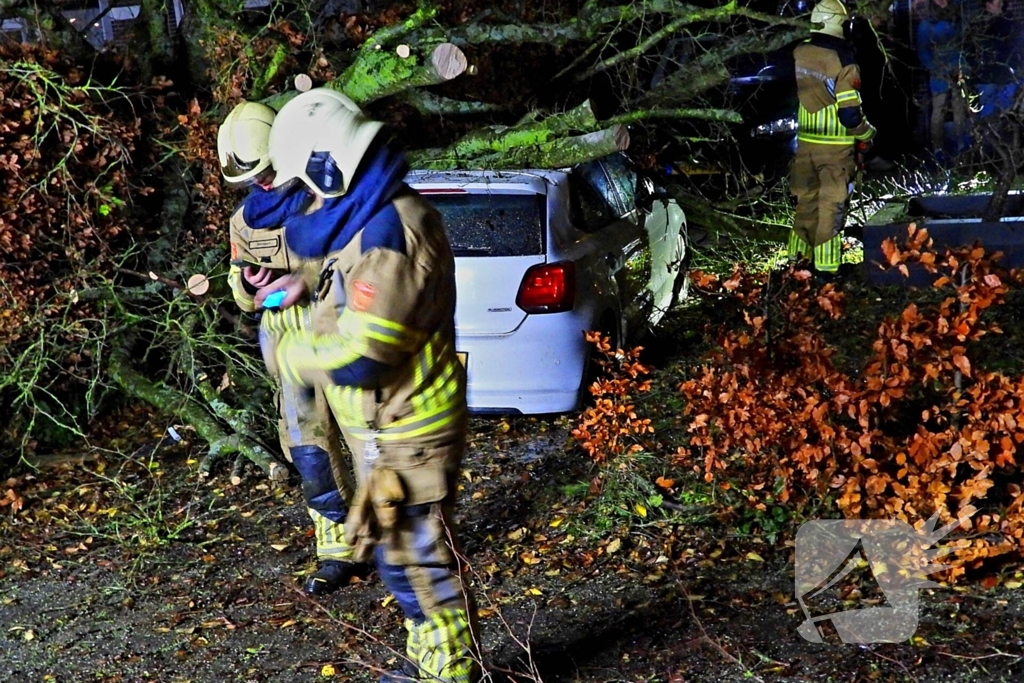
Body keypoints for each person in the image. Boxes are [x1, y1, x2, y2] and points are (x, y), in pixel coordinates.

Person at [260, 89, 478, 683]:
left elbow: (364, 355)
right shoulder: (367, 213)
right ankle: (434, 659)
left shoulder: (391, 235)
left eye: (300, 180)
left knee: (416, 560)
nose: (299, 195)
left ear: (325, 164)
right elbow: (351, 289)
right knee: (399, 552)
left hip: (409, 428)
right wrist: (309, 292)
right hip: (384, 427)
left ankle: (451, 670)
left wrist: (296, 352)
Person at [217, 98, 367, 595]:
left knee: (372, 445)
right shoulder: (244, 223)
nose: (261, 184)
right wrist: (250, 285)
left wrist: (303, 277)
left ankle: (397, 545)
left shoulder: (329, 200)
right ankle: (337, 550)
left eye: (265, 171)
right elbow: (241, 293)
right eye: (250, 179)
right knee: (310, 455)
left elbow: (363, 262)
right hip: (288, 352)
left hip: (342, 338)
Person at [788, 0, 876, 274]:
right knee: (831, 206)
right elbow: (849, 114)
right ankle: (826, 269)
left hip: (805, 146)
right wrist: (867, 133)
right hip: (835, 149)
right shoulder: (843, 60)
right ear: (841, 25)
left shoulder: (801, 51)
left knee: (806, 203)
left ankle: (796, 265)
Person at [916, 0, 967, 158]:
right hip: (939, 72)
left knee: (960, 109)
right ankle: (938, 148)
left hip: (957, 70)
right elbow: (923, 50)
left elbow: (963, 44)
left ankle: (962, 145)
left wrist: (962, 66)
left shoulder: (957, 18)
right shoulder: (927, 25)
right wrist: (935, 69)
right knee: (938, 110)